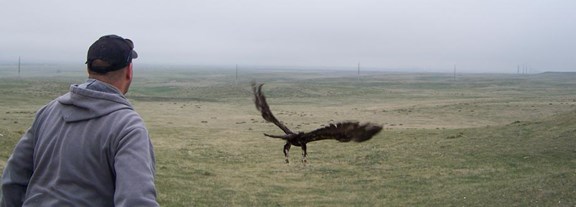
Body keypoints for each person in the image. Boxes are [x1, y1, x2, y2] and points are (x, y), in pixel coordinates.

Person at [0, 35, 159, 206]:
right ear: (129, 71)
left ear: (89, 70)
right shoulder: (128, 127)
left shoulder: (48, 112)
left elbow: (13, 180)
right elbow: (136, 200)